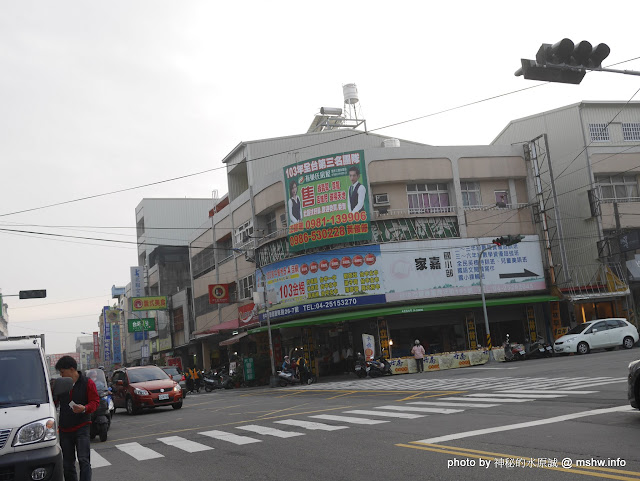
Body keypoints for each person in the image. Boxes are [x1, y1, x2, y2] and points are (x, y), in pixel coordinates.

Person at [54, 355, 100, 481]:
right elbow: (54, 402)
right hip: (65, 429)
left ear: (72, 369)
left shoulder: (87, 383)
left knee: (84, 460)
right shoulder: (60, 385)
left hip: (82, 427)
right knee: (68, 464)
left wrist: (84, 408)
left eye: (63, 372)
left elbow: (95, 401)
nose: (61, 375)